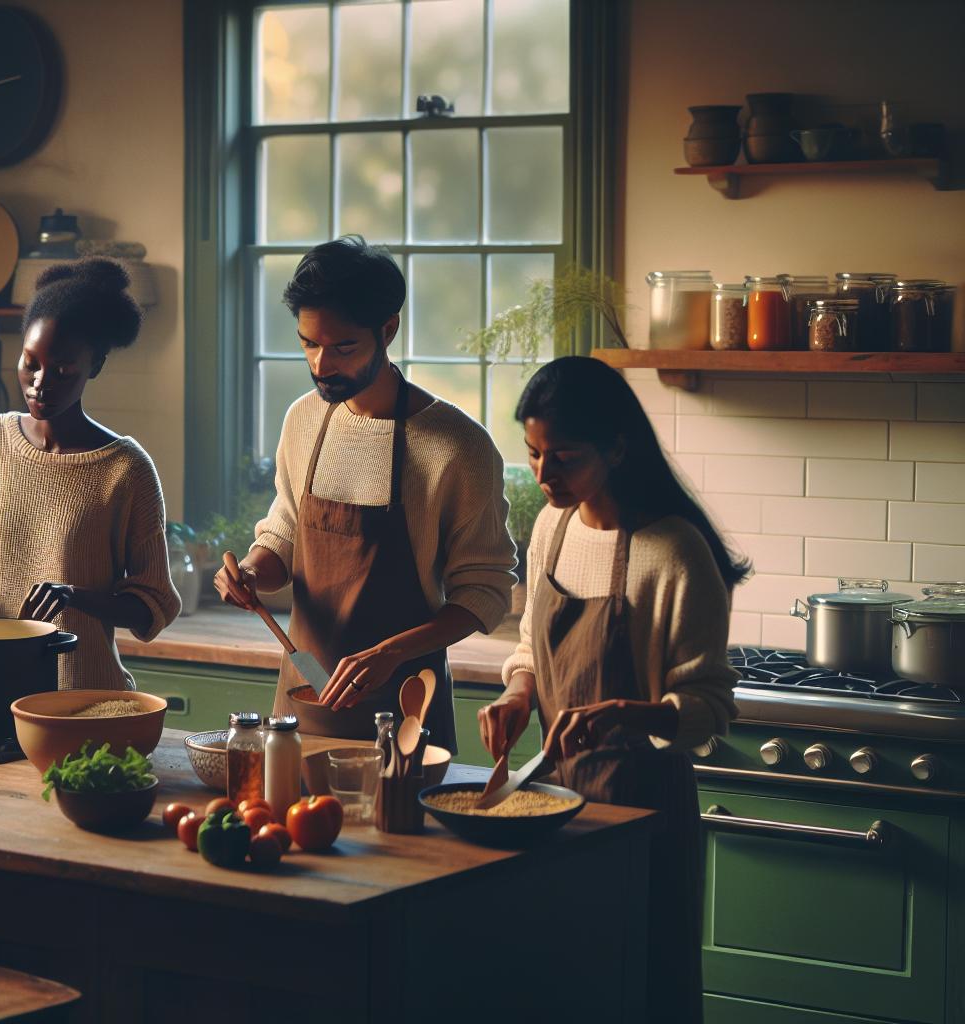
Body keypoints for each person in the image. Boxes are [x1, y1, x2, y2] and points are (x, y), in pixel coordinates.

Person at [481, 355, 745, 1024]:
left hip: (643, 817)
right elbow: (530, 650)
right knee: (560, 988)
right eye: (534, 454)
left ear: (617, 447)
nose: (543, 476)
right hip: (553, 805)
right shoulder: (552, 528)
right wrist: (518, 695)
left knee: (638, 991)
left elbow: (711, 707)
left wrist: (634, 714)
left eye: (562, 456)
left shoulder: (675, 553)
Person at [213, 236, 516, 746]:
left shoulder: (459, 447)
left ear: (388, 328)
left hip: (404, 710)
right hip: (301, 701)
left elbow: (484, 592)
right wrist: (249, 573)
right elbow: (284, 534)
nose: (321, 365)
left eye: (343, 347)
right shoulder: (303, 420)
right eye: (309, 343)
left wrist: (391, 652)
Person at [0, 259, 181, 690]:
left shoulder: (126, 470)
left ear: (96, 365)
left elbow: (152, 606)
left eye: (63, 368)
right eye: (30, 363)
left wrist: (75, 597)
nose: (40, 382)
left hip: (85, 698)